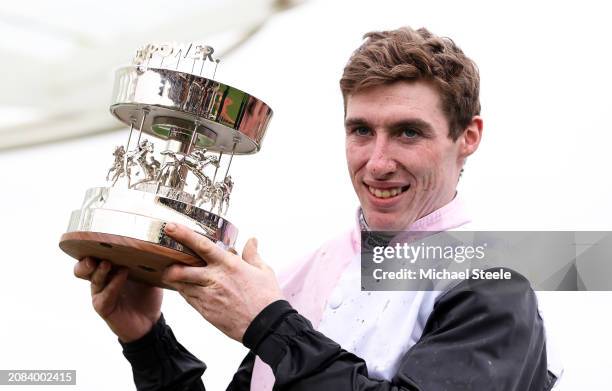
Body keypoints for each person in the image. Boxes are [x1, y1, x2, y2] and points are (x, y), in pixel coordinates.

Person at [74, 26, 560, 390]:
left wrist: (269, 325)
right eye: (361, 131)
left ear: (468, 137)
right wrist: (147, 341)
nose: (378, 162)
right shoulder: (300, 277)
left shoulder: (495, 289)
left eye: (408, 132)